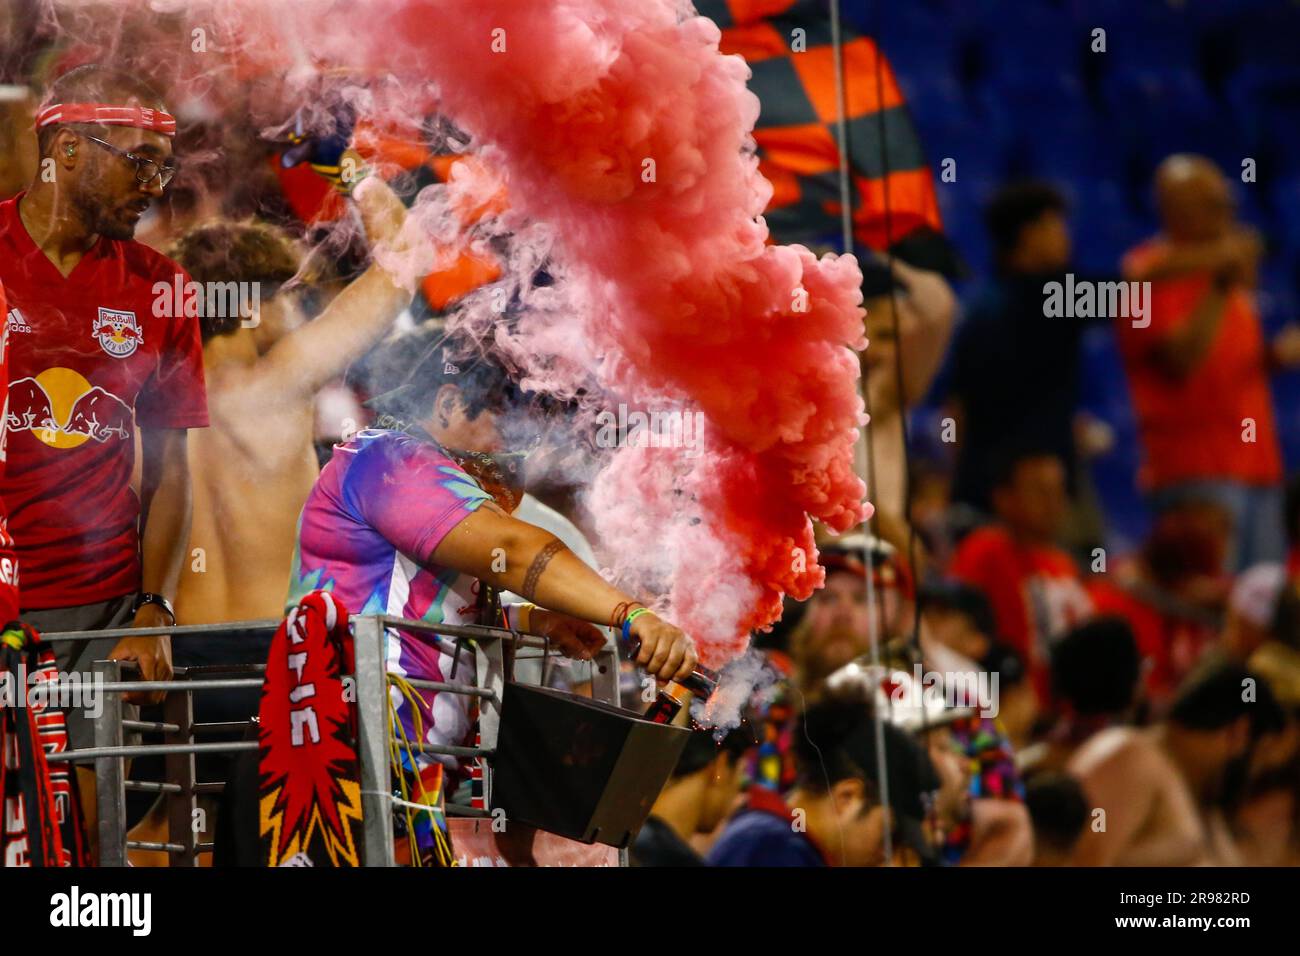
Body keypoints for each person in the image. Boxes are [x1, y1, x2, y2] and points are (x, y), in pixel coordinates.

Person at [287, 339, 698, 785]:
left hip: (412, 764)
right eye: (508, 424)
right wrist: (632, 614)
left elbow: (416, 606)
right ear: (449, 404)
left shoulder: (416, 474)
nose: (519, 450)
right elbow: (515, 553)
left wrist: (533, 622)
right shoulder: (385, 458)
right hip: (363, 759)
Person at [0, 65, 208, 848]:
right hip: (4, 593)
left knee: (77, 842)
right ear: (65, 148)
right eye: (138, 158)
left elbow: (171, 468)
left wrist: (154, 610)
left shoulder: (163, 288)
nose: (155, 182)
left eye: (165, 162)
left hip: (102, 612)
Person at [169, 177, 413, 626]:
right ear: (251, 307)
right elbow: (400, 272)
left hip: (180, 659)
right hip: (280, 649)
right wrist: (365, 182)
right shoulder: (278, 382)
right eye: (292, 294)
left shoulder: (149, 403)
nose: (300, 312)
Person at [1119, 154, 1300, 571]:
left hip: (1258, 466)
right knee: (1207, 609)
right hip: (1196, 473)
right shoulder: (1147, 273)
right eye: (1215, 205)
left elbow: (1231, 362)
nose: (1229, 215)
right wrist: (1219, 286)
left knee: (1260, 604)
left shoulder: (1225, 271)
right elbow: (1180, 362)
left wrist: (1275, 356)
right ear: (1174, 209)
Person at [943, 182, 1095, 514]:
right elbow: (1137, 297)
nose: (1066, 237)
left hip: (979, 489)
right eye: (1057, 226)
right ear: (1031, 234)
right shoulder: (1054, 297)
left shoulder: (979, 308)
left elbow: (954, 409)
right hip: (1037, 496)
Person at [1068, 658, 1283, 866]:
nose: (1256, 772)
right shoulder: (1132, 757)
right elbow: (1084, 859)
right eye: (1261, 756)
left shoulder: (1195, 794)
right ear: (1239, 732)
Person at [709, 690, 936, 867]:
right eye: (888, 835)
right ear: (847, 798)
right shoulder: (776, 850)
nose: (885, 853)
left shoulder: (772, 838)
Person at [948, 449, 1093, 703]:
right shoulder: (985, 550)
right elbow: (958, 626)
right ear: (1004, 498)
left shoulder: (1064, 563)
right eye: (1040, 491)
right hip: (1000, 700)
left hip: (1059, 705)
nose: (1053, 502)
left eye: (1059, 490)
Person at [630, 727, 750, 867]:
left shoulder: (617, 839)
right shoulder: (668, 858)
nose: (738, 794)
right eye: (741, 773)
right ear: (721, 767)